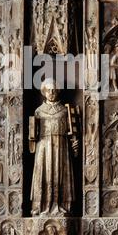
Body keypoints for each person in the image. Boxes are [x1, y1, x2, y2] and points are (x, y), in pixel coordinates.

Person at [29, 79, 79, 217]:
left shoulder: (65, 111)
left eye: (54, 89)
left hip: (61, 147)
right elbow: (33, 136)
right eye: (48, 90)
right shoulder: (39, 111)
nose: (51, 92)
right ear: (44, 92)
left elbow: (72, 133)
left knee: (60, 174)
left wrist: (74, 145)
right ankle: (41, 206)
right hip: (43, 147)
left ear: (58, 91)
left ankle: (61, 205)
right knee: (43, 174)